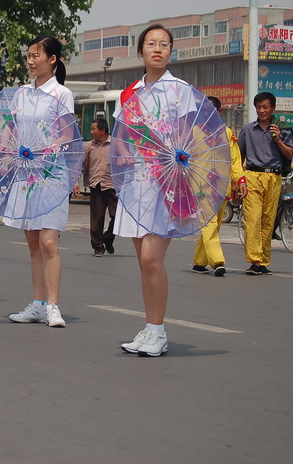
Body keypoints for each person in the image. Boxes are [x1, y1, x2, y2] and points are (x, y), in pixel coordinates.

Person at [115, 24, 189, 357]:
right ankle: (150, 327)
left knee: (151, 257)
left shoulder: (180, 90)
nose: (157, 49)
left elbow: (190, 136)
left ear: (171, 51)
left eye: (163, 44)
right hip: (136, 184)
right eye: (150, 43)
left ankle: (158, 331)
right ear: (141, 51)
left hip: (167, 183)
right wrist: (125, 152)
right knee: (142, 262)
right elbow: (120, 137)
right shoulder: (130, 93)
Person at [5, 36, 74, 328]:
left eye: (37, 55)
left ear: (53, 60)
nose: (31, 61)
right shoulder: (21, 93)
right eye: (29, 56)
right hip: (25, 172)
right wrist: (5, 152)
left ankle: (53, 305)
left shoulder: (62, 93)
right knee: (32, 241)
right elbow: (10, 127)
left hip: (51, 173)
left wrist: (45, 149)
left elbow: (68, 134)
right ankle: (37, 303)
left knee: (48, 241)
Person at [238, 92, 293, 275]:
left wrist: (278, 139)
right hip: (253, 176)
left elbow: (289, 155)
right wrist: (237, 180)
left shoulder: (282, 129)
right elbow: (239, 156)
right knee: (252, 219)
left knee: (267, 220)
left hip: (274, 177)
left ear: (273, 108)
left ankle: (263, 262)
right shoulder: (248, 129)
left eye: (265, 107)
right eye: (258, 107)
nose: (262, 110)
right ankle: (254, 260)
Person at [192, 97, 247, 276]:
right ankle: (217, 261)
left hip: (221, 186)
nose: (208, 112)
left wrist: (239, 180)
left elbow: (235, 159)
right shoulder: (192, 132)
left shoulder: (227, 133)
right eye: (205, 109)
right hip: (200, 186)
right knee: (209, 223)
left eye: (212, 109)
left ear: (219, 111)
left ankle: (199, 262)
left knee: (214, 225)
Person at [75, 118, 116, 257]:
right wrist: (75, 182)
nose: (91, 132)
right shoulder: (89, 146)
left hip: (112, 186)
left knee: (117, 216)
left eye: (94, 129)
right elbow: (82, 166)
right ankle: (98, 247)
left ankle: (108, 237)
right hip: (96, 185)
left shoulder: (115, 145)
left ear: (103, 131)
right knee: (97, 218)